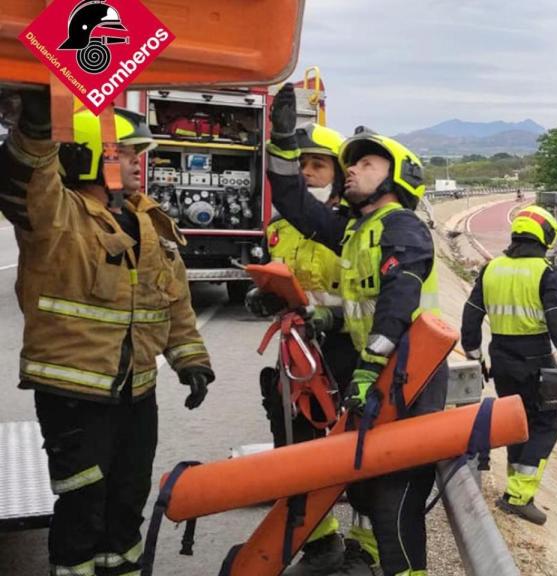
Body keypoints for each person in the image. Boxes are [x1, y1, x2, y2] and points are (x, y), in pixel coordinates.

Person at [0, 92, 214, 576]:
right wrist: (38, 129)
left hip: (137, 395)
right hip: (75, 395)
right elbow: (30, 174)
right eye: (127, 152)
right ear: (88, 155)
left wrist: (190, 359)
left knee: (126, 501)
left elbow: (173, 300)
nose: (139, 162)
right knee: (83, 506)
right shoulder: (57, 215)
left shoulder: (148, 219)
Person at [267, 83, 444, 576]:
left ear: (397, 177)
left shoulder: (401, 227)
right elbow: (295, 202)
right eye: (352, 163)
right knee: (370, 490)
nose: (352, 170)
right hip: (384, 376)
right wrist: (282, 143)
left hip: (411, 379)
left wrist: (368, 368)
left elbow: (398, 301)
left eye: (367, 164)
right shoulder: (353, 229)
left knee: (395, 503)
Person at [246, 121, 361, 574]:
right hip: (297, 351)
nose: (308, 173)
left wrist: (330, 316)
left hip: (349, 349)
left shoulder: (354, 228)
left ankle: (368, 546)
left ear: (339, 174)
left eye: (318, 165)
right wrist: (263, 297)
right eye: (302, 165)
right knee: (294, 447)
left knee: (358, 447)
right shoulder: (278, 226)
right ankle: (320, 542)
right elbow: (278, 277)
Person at [461, 205, 557, 526]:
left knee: (517, 421)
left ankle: (514, 488)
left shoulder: (491, 268)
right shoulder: (545, 272)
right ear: (545, 238)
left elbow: (471, 316)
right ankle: (518, 496)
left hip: (501, 359)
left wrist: (475, 359)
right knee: (546, 424)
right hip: (536, 360)